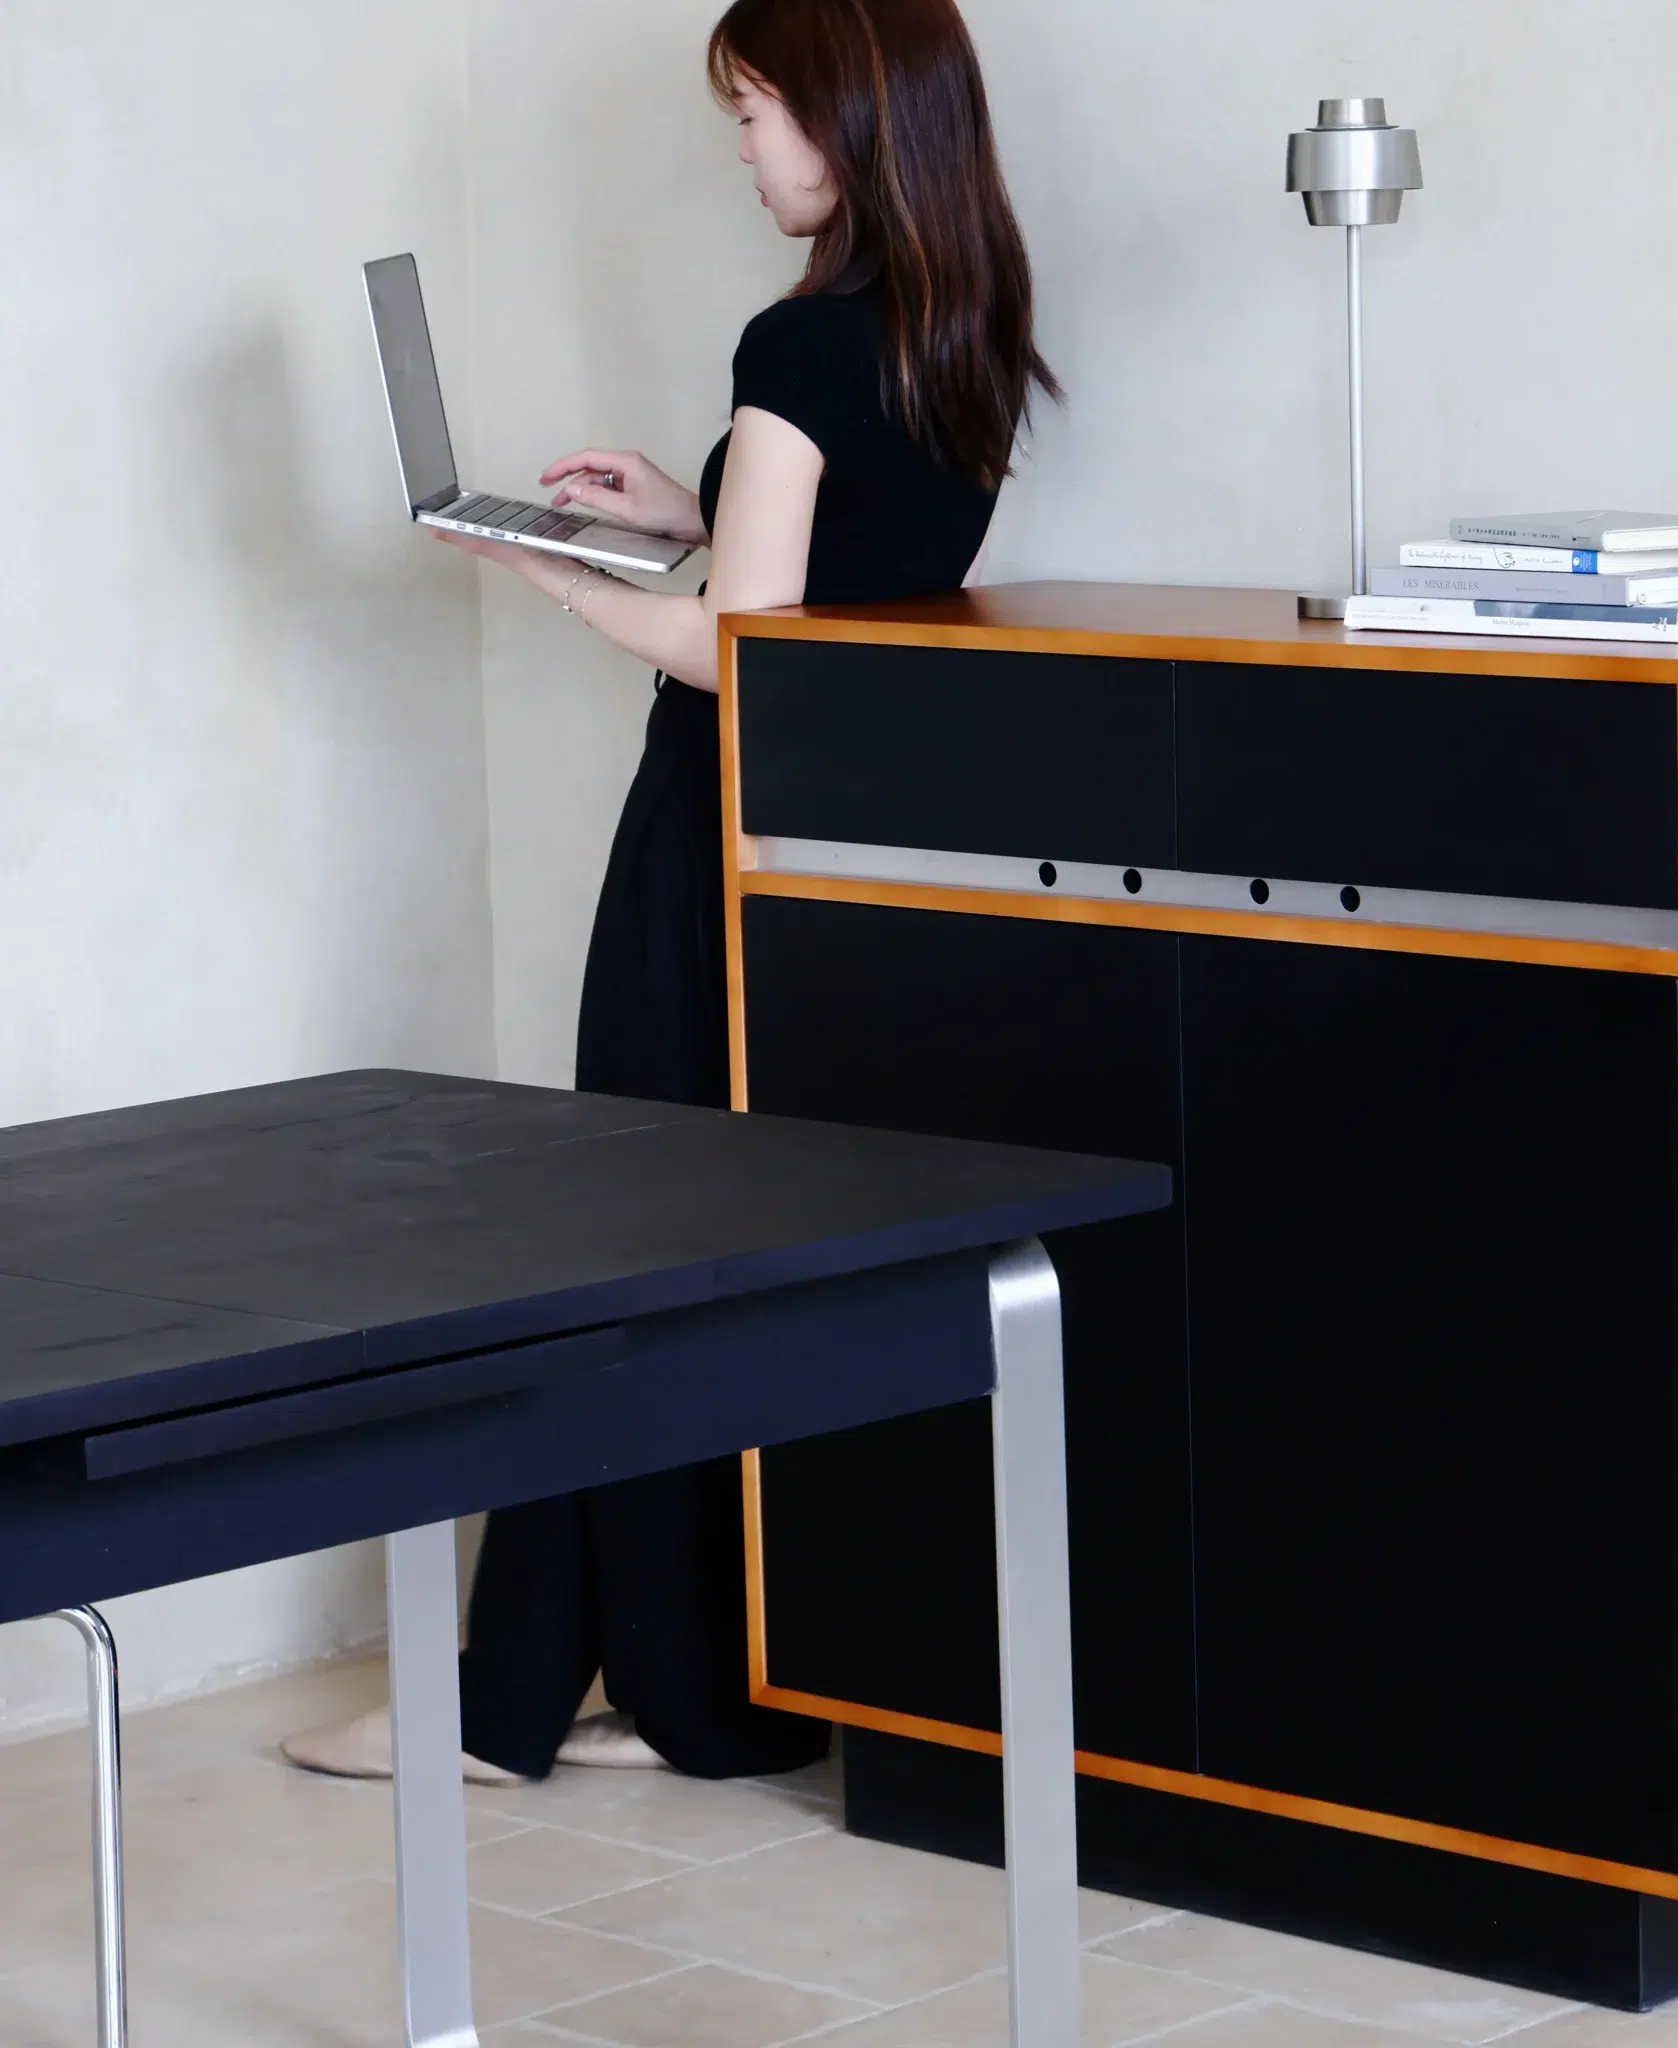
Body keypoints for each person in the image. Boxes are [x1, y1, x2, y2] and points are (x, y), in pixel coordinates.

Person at [284, 0, 1057, 1786]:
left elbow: (742, 654)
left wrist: (548, 570)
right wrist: (681, 506)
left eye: (757, 113)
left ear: (847, 119)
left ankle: (519, 1698)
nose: (744, 152)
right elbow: (838, 586)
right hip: (825, 864)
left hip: (700, 836)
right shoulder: (963, 331)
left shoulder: (794, 346)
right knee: (725, 1251)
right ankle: (679, 1680)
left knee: (608, 1241)